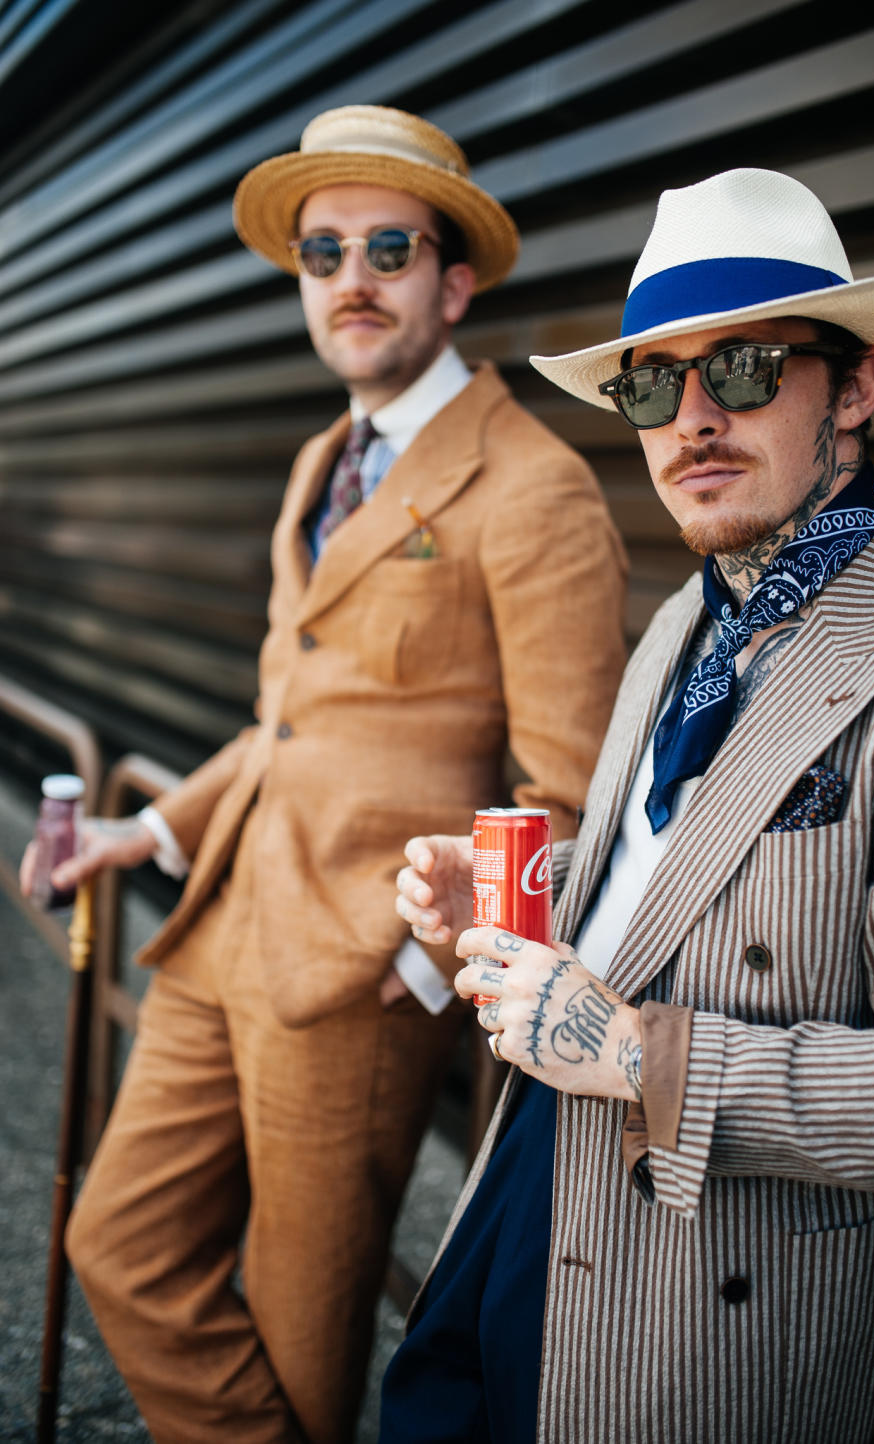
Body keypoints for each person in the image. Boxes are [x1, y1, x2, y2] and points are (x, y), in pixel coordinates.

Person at [29, 105, 627, 1444]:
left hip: (357, 980)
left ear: (453, 278)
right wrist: (149, 832)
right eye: (321, 252)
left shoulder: (534, 489)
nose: (350, 278)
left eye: (389, 246)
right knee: (116, 1242)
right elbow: (288, 715)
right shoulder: (324, 460)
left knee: (307, 1343)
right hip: (219, 928)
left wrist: (412, 971)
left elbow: (564, 799)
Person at [386, 166, 874, 1444]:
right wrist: (530, 889)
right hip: (530, 1167)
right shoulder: (681, 620)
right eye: (653, 383)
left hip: (706, 1294)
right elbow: (686, 867)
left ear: (856, 384)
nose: (692, 417)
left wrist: (641, 1053)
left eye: (744, 368)